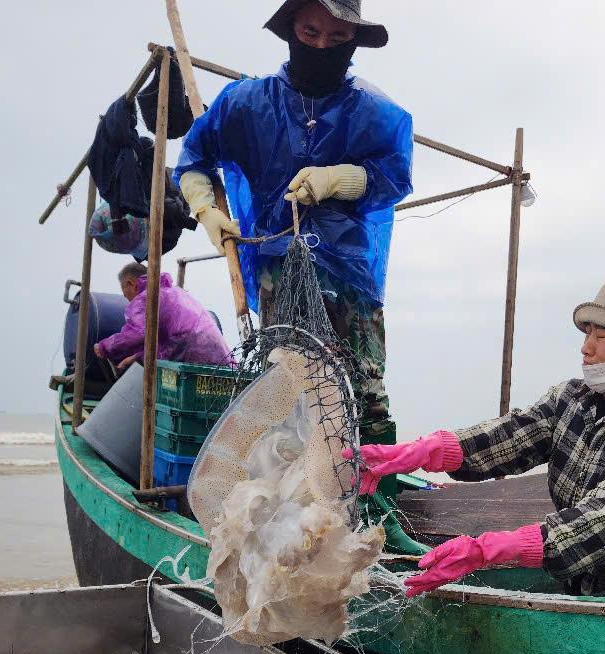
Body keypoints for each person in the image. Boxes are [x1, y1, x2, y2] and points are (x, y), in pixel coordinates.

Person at [174, 0, 421, 550]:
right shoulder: (245, 104)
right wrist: (205, 211)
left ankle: (379, 511)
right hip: (278, 268)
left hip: (349, 272)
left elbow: (395, 177)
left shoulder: (379, 115)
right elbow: (193, 158)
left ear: (353, 40)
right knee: (293, 389)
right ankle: (295, 511)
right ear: (290, 29)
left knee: (364, 391)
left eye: (336, 36)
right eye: (310, 30)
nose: (320, 44)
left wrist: (343, 178)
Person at [352, 273, 605, 602]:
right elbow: (508, 437)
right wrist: (423, 451)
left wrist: (488, 549)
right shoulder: (572, 399)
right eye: (587, 334)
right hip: (581, 589)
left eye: (601, 337)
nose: (586, 348)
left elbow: (604, 520)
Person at [94, 261, 235, 373]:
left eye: (125, 294)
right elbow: (167, 343)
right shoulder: (172, 291)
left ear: (131, 284)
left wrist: (104, 347)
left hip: (193, 353)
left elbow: (138, 333)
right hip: (217, 351)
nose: (128, 300)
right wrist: (136, 357)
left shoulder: (144, 299)